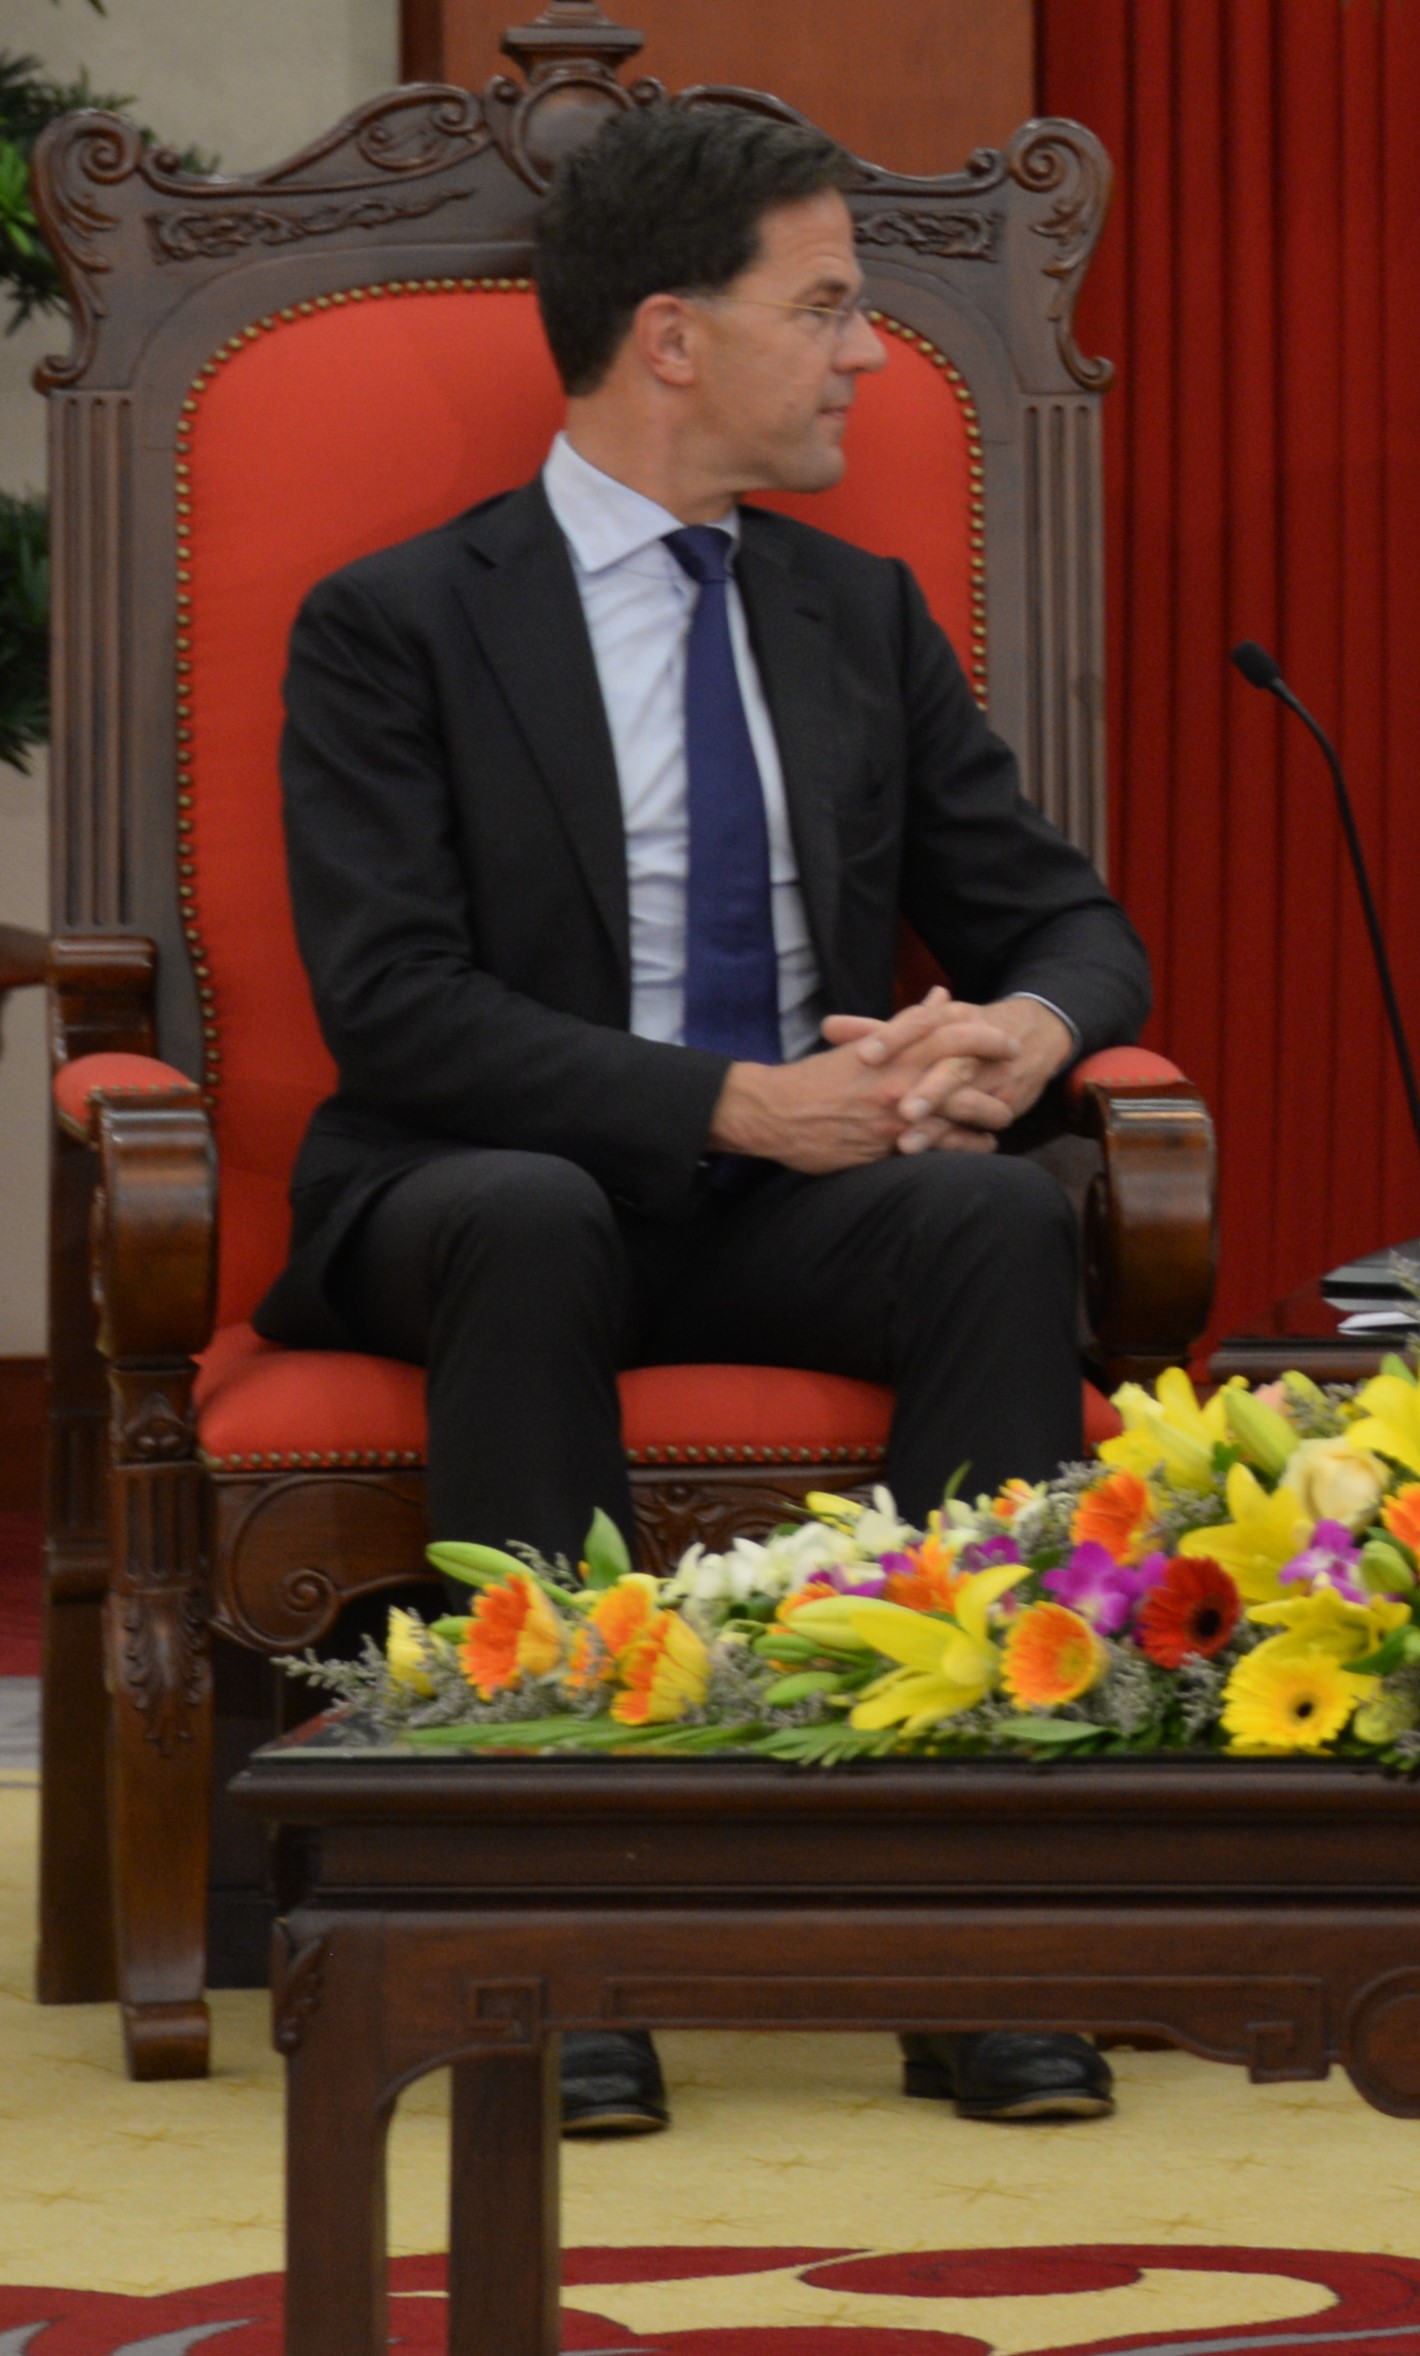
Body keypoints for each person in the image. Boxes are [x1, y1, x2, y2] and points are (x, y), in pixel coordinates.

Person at [269, 104, 1146, 2140]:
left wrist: (1018, 1032)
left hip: (779, 1212)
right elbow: (394, 1005)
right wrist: (735, 1099)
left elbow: (1066, 922)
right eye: (825, 306)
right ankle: (553, 1925)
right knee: (528, 1212)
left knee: (1000, 1219)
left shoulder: (855, 614)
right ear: (672, 335)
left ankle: (969, 1930)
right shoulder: (397, 620)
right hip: (474, 1198)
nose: (865, 354)